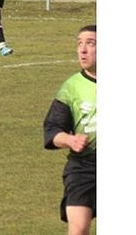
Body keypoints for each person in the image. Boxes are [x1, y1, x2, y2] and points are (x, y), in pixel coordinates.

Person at [43, 24, 96, 235]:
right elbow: (52, 129)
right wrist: (69, 140)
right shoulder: (71, 88)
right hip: (83, 167)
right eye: (79, 44)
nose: (82, 50)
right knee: (78, 229)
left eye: (90, 43)